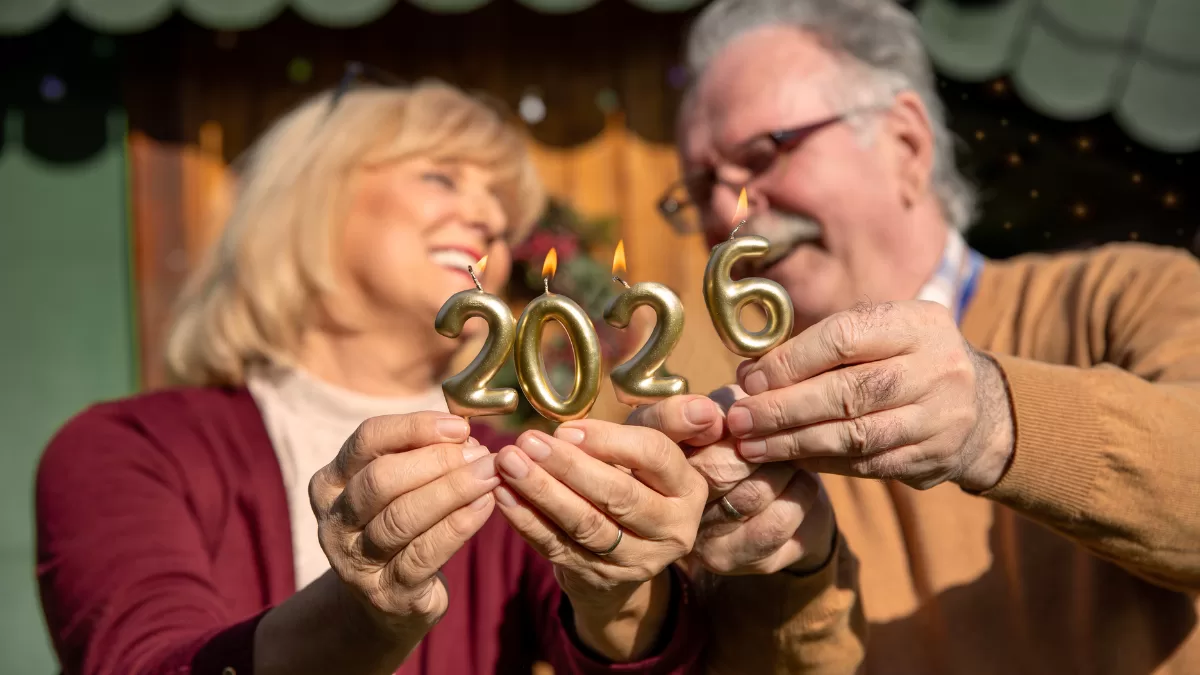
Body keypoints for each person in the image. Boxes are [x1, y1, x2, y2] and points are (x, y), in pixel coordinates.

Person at [35, 76, 709, 675]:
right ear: (307, 205)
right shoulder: (126, 449)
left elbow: (610, 648)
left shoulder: (511, 468)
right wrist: (364, 616)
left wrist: (621, 584)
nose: (490, 221)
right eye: (441, 178)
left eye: (504, 216)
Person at [632, 0, 1200, 673]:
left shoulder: (1129, 291)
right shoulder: (712, 402)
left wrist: (993, 418)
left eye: (764, 154)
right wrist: (787, 571)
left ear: (906, 143)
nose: (728, 211)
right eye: (700, 190)